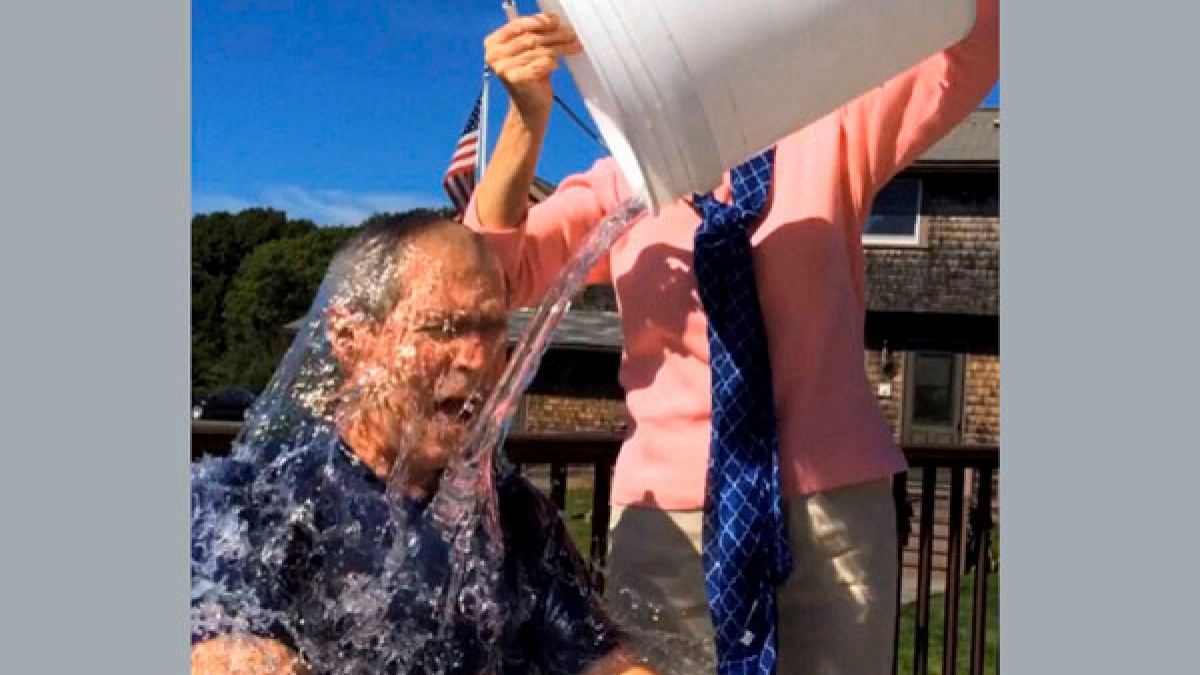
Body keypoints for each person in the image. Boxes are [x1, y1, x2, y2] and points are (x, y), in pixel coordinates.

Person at [467, 2, 998, 673]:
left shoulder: (833, 128)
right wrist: (525, 115)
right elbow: (492, 274)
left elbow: (975, 42)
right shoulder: (622, 184)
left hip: (832, 513)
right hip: (667, 522)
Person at [190, 214, 657, 675]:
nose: (478, 360)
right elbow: (224, 656)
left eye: (492, 328)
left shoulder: (517, 516)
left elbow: (602, 662)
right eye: (442, 328)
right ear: (349, 338)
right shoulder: (257, 501)